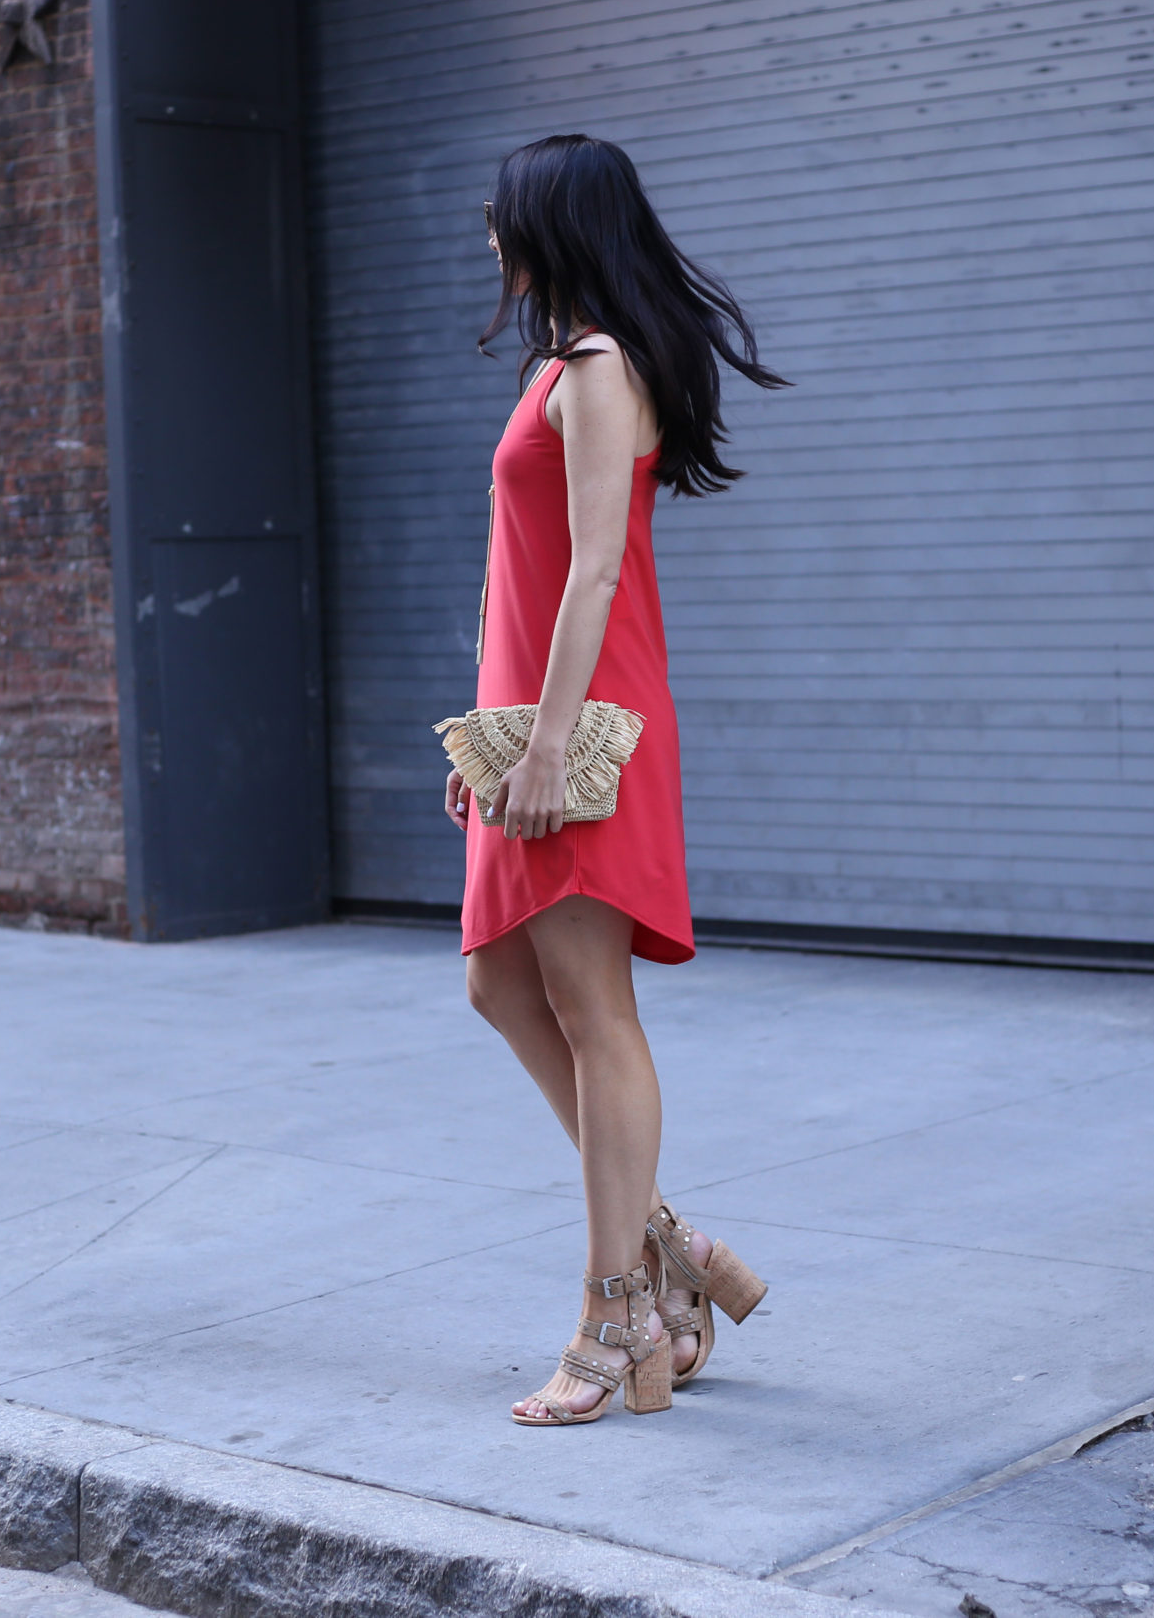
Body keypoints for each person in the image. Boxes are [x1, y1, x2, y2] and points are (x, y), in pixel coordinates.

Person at [445, 136, 787, 1426]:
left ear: (551, 224)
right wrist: (487, 730)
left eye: (501, 212)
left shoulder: (597, 371)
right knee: (496, 981)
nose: (488, 229)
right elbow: (511, 564)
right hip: (529, 718)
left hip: (588, 728)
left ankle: (613, 1321)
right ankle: (671, 1252)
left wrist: (542, 742)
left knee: (592, 1003)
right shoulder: (552, 366)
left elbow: (592, 571)